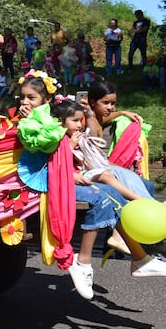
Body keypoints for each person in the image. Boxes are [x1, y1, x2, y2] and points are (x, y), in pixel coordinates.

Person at [51, 99, 166, 299]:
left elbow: (91, 144)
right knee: (104, 192)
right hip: (65, 181)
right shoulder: (55, 138)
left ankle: (138, 257)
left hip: (78, 177)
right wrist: (70, 148)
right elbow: (52, 166)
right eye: (74, 120)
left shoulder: (76, 136)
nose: (79, 125)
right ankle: (85, 260)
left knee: (112, 187)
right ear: (61, 121)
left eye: (81, 120)